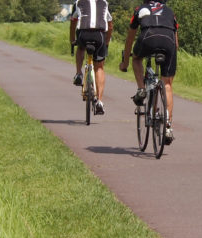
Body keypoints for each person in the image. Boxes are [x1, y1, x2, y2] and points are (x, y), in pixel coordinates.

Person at [119, 0, 178, 144]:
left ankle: (141, 89)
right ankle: (168, 127)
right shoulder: (170, 11)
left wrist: (125, 61)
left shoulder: (140, 9)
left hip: (148, 37)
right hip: (169, 41)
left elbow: (130, 39)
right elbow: (176, 42)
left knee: (137, 59)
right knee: (168, 84)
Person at [70, 0, 113, 115]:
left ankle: (79, 73)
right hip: (99, 35)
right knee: (99, 67)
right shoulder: (104, 3)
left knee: (80, 48)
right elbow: (110, 25)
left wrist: (72, 40)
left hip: (83, 34)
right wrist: (106, 42)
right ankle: (99, 101)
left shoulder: (78, 2)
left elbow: (73, 22)